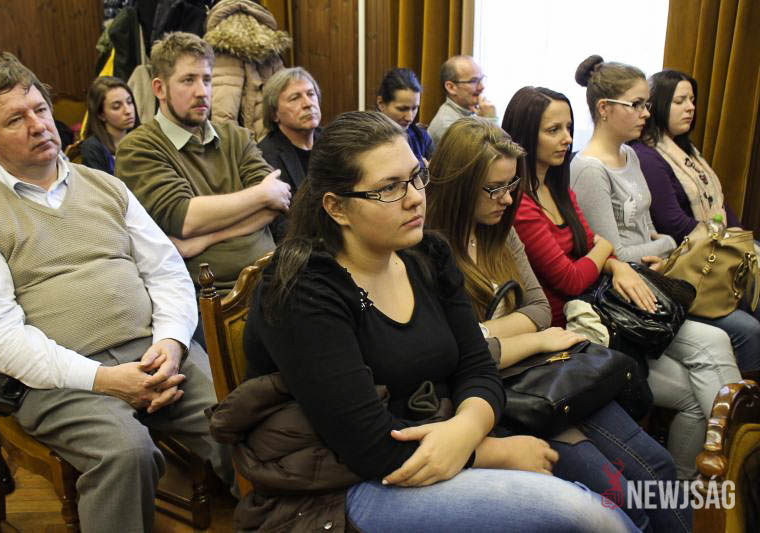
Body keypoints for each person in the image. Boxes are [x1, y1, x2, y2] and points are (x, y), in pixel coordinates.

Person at [239, 110, 639, 532]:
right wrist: (491, 452)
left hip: (441, 434)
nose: (415, 198)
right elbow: (368, 447)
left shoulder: (427, 253)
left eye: (416, 177)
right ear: (337, 208)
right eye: (389, 188)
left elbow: (477, 365)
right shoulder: (303, 289)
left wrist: (468, 426)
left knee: (620, 487)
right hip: (339, 483)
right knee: (583, 514)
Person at [0, 54, 226, 532]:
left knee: (238, 422)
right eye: (15, 120)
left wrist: (170, 343)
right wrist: (104, 379)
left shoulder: (106, 186)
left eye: (40, 109)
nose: (38, 125)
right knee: (125, 453)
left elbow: (167, 272)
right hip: (60, 380)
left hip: (154, 353)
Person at [426, 116, 689, 532]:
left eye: (511, 185)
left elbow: (537, 310)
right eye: (494, 188)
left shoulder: (500, 230)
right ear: (459, 186)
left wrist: (486, 334)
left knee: (658, 467)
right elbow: (460, 355)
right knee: (624, 499)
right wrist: (532, 340)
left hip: (542, 373)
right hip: (500, 397)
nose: (507, 199)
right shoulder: (429, 250)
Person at [565, 56, 742, 475]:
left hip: (654, 284)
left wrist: (659, 249)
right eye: (637, 104)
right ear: (604, 109)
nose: (647, 113)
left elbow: (646, 233)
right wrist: (665, 244)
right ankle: (735, 460)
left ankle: (698, 482)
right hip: (623, 302)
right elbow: (612, 252)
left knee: (701, 389)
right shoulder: (588, 169)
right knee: (716, 344)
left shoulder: (630, 155)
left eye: (646, 103)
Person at [115, 32, 291, 292]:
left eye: (206, 80)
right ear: (159, 89)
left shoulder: (235, 136)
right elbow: (185, 219)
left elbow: (277, 203)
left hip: (272, 277)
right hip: (209, 294)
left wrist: (206, 238)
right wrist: (261, 194)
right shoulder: (139, 147)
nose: (201, 92)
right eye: (188, 80)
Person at [632, 69, 760, 371]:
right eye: (680, 101)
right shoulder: (647, 155)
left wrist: (739, 239)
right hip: (691, 264)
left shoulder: (687, 150)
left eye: (692, 100)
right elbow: (673, 223)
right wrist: (730, 243)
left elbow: (721, 206)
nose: (690, 107)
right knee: (751, 321)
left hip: (716, 251)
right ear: (659, 105)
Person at [258, 67, 321, 241]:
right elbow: (279, 225)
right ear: (274, 114)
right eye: (295, 98)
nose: (308, 103)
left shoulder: (333, 141)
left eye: (311, 94)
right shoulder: (264, 156)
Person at [428, 55, 497, 146]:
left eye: (481, 79)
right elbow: (488, 153)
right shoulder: (447, 125)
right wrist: (489, 120)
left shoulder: (473, 112)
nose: (482, 87)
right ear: (451, 87)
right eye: (474, 81)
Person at [80, 76, 138, 174]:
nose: (128, 111)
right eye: (116, 106)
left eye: (129, 102)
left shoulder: (143, 137)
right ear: (101, 114)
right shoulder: (92, 148)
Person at [376, 67, 433, 163]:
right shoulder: (366, 140)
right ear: (381, 103)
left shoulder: (421, 137)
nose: (409, 118)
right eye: (402, 109)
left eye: (414, 108)